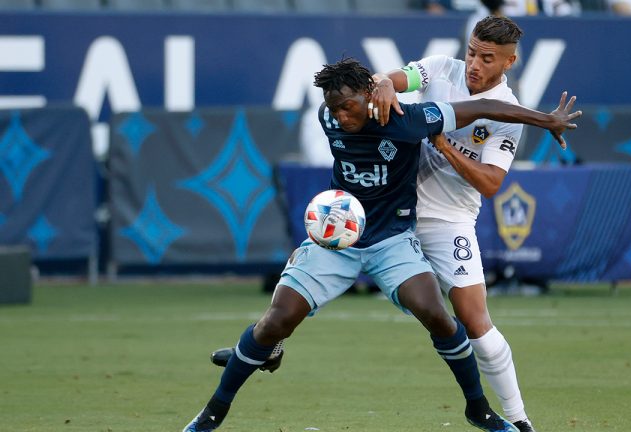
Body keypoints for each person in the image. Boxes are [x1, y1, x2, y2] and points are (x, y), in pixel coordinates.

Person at [186, 57, 580, 432]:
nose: (340, 115)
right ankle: (213, 412)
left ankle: (478, 408)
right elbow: (354, 101)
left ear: (368, 97)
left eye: (347, 106)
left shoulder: (409, 121)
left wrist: (545, 120)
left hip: (393, 239)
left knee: (437, 314)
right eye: (334, 108)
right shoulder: (330, 119)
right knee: (276, 319)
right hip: (338, 239)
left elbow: (487, 108)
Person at [367, 15, 566, 432]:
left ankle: (518, 419)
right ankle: (268, 339)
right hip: (393, 209)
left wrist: (441, 142)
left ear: (508, 62)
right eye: (472, 51)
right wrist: (383, 82)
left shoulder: (508, 115)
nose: (474, 63)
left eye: (487, 58)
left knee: (475, 320)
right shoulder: (442, 68)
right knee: (319, 248)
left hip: (449, 220)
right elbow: (397, 78)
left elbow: (491, 183)